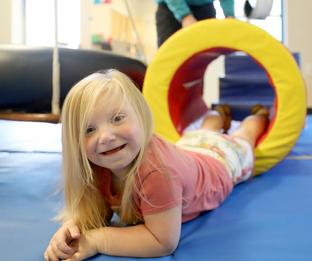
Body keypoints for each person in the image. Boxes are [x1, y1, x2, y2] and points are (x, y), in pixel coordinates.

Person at [44, 69, 269, 261]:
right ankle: (219, 114)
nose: (105, 137)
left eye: (117, 118)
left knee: (243, 136)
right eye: (89, 130)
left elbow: (162, 241)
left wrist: (96, 240)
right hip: (188, 151)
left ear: (141, 116)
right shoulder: (98, 162)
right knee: (204, 132)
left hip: (220, 163)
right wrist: (74, 228)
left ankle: (258, 116)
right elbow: (97, 210)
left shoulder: (158, 173)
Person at [155, 0, 235, 46]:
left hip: (205, 6)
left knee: (208, 51)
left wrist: (229, 14)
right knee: (169, 51)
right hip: (170, 8)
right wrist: (184, 15)